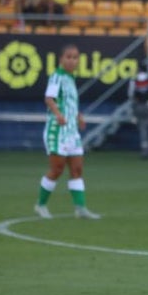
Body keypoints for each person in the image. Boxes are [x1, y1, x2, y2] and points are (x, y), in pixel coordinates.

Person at [34, 45, 100, 219]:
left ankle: (80, 208)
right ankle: (40, 205)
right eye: (69, 57)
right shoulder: (57, 76)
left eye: (75, 57)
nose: (72, 60)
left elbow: (70, 102)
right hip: (58, 130)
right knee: (57, 169)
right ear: (61, 59)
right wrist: (57, 114)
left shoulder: (71, 78)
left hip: (72, 131)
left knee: (77, 169)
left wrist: (79, 116)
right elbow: (49, 98)